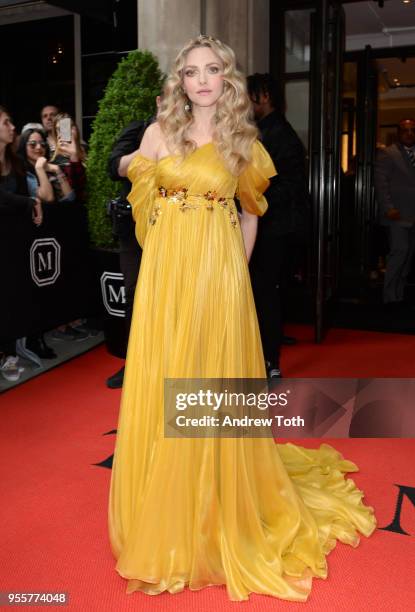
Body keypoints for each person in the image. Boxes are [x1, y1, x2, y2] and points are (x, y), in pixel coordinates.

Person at [108, 36, 376, 602]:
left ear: (227, 78)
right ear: (179, 81)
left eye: (212, 70)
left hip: (220, 274)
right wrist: (134, 164)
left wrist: (234, 273)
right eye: (190, 72)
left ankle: (220, 496)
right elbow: (137, 191)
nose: (201, 80)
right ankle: (169, 496)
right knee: (168, 377)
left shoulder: (243, 141)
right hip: (166, 276)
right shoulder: (160, 133)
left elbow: (251, 214)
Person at [247, 73, 308, 378]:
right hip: (265, 226)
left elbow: (291, 187)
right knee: (263, 294)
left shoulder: (279, 135)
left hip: (273, 229)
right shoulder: (262, 131)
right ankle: (265, 356)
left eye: (250, 96)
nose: (246, 103)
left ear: (265, 96)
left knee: (265, 294)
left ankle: (270, 362)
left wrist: (252, 200)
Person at [106, 116, 154, 389]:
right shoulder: (139, 128)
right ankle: (134, 363)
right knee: (135, 293)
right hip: (134, 229)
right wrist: (149, 147)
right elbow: (113, 167)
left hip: (175, 227)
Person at [0, 106, 42, 381]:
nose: (12, 127)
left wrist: (33, 206)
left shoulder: (14, 162)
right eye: (5, 122)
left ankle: (9, 355)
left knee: (11, 300)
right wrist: (30, 203)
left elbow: (26, 196)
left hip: (13, 245)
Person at [375, 118, 415, 307]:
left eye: (412, 130)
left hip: (413, 215)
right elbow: (381, 185)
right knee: (400, 252)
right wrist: (388, 207)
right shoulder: (388, 154)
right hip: (397, 215)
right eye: (405, 130)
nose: (409, 133)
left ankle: (398, 294)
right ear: (399, 133)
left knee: (408, 257)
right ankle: (389, 297)